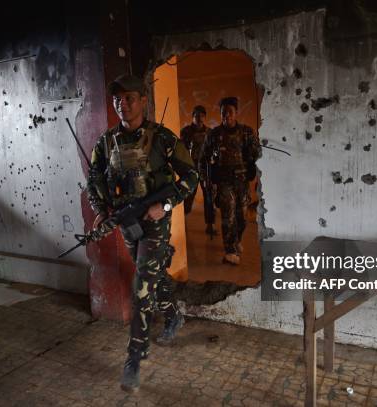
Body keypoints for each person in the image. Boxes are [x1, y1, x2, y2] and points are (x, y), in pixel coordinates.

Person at [86, 74, 198, 392]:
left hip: (155, 222)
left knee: (142, 287)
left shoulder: (162, 138)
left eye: (129, 98)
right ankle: (174, 314)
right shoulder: (105, 142)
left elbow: (191, 176)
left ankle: (134, 358)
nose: (123, 104)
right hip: (127, 223)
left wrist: (164, 204)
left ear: (143, 101)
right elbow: (93, 178)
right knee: (152, 275)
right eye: (117, 99)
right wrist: (100, 209)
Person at [200, 97, 261, 265]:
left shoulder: (247, 132)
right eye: (223, 112)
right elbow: (203, 159)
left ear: (236, 113)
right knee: (228, 215)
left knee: (242, 218)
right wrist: (205, 180)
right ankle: (230, 251)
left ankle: (236, 240)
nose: (226, 115)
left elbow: (257, 156)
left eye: (230, 112)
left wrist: (255, 153)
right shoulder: (213, 135)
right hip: (223, 182)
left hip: (242, 182)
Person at [180, 105, 217, 235]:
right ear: (193, 117)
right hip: (191, 168)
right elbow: (181, 151)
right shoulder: (185, 131)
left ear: (205, 117)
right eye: (196, 116)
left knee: (209, 196)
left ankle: (210, 225)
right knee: (188, 195)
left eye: (202, 116)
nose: (199, 118)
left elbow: (214, 150)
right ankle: (182, 222)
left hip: (205, 168)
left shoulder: (209, 132)